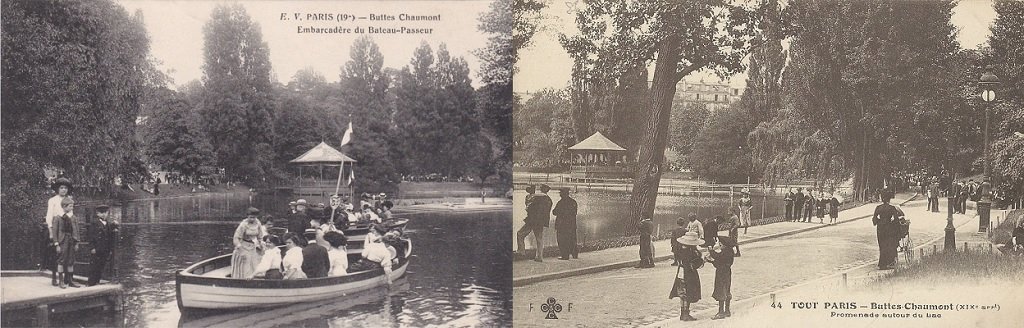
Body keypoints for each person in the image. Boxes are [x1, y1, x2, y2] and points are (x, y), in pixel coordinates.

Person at [44, 178, 73, 286]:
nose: (63, 190)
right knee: (56, 254)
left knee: (67, 255)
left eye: (65, 188)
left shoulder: (69, 199)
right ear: (57, 189)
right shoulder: (53, 200)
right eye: (61, 188)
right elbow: (49, 216)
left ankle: (67, 279)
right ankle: (54, 278)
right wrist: (51, 231)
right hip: (56, 229)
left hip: (66, 230)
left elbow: (70, 215)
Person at [670, 231, 704, 321]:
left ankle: (683, 313)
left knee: (682, 294)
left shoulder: (680, 250)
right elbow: (695, 264)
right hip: (689, 274)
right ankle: (686, 313)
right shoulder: (691, 252)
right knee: (688, 292)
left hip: (681, 273)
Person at [517, 184, 552, 262]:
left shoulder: (536, 198)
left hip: (532, 220)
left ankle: (521, 252)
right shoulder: (549, 200)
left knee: (520, 234)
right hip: (541, 222)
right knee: (539, 239)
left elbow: (528, 208)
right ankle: (539, 257)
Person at [52, 196, 81, 288]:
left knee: (71, 260)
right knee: (61, 260)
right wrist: (56, 244)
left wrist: (77, 242)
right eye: (70, 206)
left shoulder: (74, 218)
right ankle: (61, 281)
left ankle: (70, 280)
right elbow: (55, 232)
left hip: (71, 241)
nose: (72, 208)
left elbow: (77, 230)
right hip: (62, 241)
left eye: (72, 206)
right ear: (64, 207)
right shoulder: (58, 218)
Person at [87, 204, 118, 286]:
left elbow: (110, 235)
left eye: (105, 212)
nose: (104, 214)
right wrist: (92, 247)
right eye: (101, 213)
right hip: (97, 248)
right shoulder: (94, 223)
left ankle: (97, 281)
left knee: (101, 265)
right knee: (94, 266)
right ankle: (91, 283)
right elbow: (90, 236)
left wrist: (114, 225)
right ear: (97, 214)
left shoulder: (108, 223)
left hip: (105, 248)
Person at [872, 190, 902, 270]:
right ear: (889, 199)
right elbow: (896, 220)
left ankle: (882, 264)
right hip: (889, 229)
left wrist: (880, 222)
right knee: (889, 245)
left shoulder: (878, 208)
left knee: (882, 246)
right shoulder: (892, 208)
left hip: (880, 229)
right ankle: (890, 262)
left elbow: (874, 220)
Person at [232, 207, 266, 279]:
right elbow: (236, 238)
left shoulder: (258, 223)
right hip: (243, 246)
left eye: (254, 217)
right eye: (250, 217)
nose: (252, 219)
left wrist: (261, 244)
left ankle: (253, 281)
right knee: (246, 265)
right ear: (247, 216)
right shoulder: (243, 225)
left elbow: (260, 236)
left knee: (255, 263)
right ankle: (243, 280)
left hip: (252, 246)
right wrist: (240, 248)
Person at [708, 236, 736, 319]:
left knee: (720, 290)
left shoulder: (725, 252)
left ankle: (721, 312)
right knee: (727, 290)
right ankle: (727, 311)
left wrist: (710, 252)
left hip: (721, 273)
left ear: (724, 245)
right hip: (727, 272)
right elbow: (719, 257)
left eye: (720, 243)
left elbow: (718, 260)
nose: (719, 244)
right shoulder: (729, 252)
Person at [552, 188, 579, 260]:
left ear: (564, 194)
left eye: (561, 193)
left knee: (562, 241)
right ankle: (575, 255)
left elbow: (554, 212)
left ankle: (565, 255)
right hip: (572, 225)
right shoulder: (573, 202)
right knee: (572, 239)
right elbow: (575, 213)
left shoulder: (560, 203)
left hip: (562, 225)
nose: (560, 194)